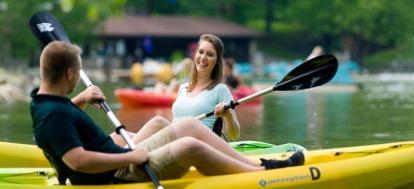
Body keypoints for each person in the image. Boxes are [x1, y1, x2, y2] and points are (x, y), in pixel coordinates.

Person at [31, 41, 304, 185]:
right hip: (119, 172)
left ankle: (258, 166)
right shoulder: (54, 114)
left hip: (122, 158)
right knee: (188, 146)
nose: (79, 78)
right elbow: (78, 161)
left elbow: (62, 117)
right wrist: (132, 155)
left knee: (186, 125)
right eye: (78, 73)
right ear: (69, 73)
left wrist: (80, 97)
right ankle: (259, 175)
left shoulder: (44, 102)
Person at [172, 34, 240, 140]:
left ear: (217, 61)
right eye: (200, 52)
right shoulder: (183, 88)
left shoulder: (220, 89)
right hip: (174, 141)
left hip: (198, 147)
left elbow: (234, 135)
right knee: (157, 122)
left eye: (210, 54)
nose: (203, 57)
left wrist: (228, 115)